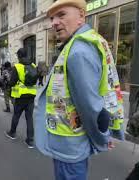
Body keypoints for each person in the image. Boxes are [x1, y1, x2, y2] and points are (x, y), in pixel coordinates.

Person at [34, 0, 124, 179]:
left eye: (62, 15)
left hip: (69, 146)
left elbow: (90, 106)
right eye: (52, 18)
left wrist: (103, 137)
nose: (54, 23)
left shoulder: (78, 52)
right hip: (71, 143)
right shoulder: (83, 43)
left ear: (81, 16)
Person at [4, 48, 38, 149]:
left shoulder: (17, 67)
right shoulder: (33, 65)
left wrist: (8, 83)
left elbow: (12, 82)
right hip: (31, 95)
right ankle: (30, 140)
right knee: (29, 118)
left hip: (20, 96)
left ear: (19, 56)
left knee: (16, 115)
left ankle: (12, 133)